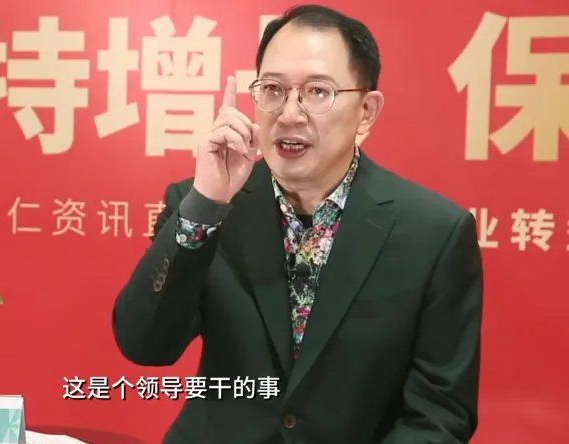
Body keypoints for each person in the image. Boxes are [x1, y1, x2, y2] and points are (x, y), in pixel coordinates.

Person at [112, 4, 483, 444]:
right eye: (273, 89)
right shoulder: (208, 207)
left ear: (366, 110)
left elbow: (439, 414)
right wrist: (205, 205)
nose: (289, 113)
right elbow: (143, 344)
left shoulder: (434, 234)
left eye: (317, 91)